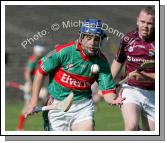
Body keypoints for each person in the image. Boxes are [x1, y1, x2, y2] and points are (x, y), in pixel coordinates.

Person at [25, 19, 125, 131]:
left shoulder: (101, 61)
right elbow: (40, 72)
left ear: (101, 40)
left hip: (82, 106)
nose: (92, 43)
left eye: (96, 39)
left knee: (87, 130)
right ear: (81, 37)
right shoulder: (64, 52)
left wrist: (113, 100)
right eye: (88, 38)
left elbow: (107, 92)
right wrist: (33, 101)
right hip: (57, 105)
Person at [111, 7, 155, 131]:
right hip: (131, 89)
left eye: (150, 23)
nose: (145, 26)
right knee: (131, 126)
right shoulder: (128, 38)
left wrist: (144, 76)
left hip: (154, 94)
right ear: (137, 21)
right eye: (142, 22)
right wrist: (107, 84)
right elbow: (117, 62)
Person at [16, 44, 46, 131]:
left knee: (44, 103)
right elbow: (27, 73)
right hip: (31, 87)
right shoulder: (33, 60)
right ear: (36, 51)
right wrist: (30, 84)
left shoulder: (40, 60)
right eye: (39, 52)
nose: (41, 53)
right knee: (27, 106)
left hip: (35, 86)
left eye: (41, 52)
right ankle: (19, 128)